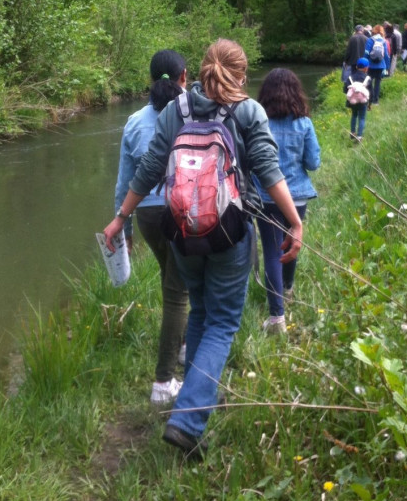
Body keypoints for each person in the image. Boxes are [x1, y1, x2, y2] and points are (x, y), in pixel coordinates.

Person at [103, 39, 303, 460]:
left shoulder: (177, 109)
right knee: (224, 322)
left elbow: (152, 166)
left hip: (180, 231)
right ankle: (189, 419)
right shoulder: (248, 111)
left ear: (197, 71)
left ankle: (195, 395)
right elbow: (268, 171)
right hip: (229, 233)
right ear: (242, 75)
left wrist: (122, 216)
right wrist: (295, 220)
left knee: (200, 311)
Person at [114, 50, 190, 406]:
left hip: (144, 214)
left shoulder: (132, 122)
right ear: (184, 77)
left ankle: (183, 343)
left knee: (170, 277)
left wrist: (124, 228)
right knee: (179, 291)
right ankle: (165, 380)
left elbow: (124, 182)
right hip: (180, 212)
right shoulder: (193, 114)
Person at [254, 68, 320, 333]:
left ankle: (276, 317)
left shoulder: (259, 123)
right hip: (297, 196)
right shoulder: (304, 124)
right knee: (292, 241)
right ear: (296, 92)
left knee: (271, 251)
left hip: (265, 196)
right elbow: (313, 163)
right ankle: (288, 290)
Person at [346, 56, 371, 140]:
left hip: (353, 101)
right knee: (362, 118)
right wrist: (370, 103)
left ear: (356, 67)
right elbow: (371, 92)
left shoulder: (350, 77)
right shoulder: (367, 78)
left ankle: (352, 133)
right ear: (366, 68)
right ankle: (359, 136)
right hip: (363, 102)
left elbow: (345, 88)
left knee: (354, 115)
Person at [365, 25, 389, 105]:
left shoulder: (370, 40)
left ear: (373, 31)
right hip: (380, 65)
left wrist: (365, 63)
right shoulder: (383, 41)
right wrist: (387, 66)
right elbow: (386, 54)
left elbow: (366, 53)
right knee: (377, 83)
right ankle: (376, 101)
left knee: (369, 82)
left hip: (370, 65)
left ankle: (370, 99)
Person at [342, 25, 367, 91]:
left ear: (355, 31)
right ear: (362, 30)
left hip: (354, 61)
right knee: (363, 75)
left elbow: (348, 51)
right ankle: (363, 89)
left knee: (353, 75)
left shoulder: (352, 38)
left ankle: (354, 90)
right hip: (364, 61)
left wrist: (346, 61)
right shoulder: (366, 38)